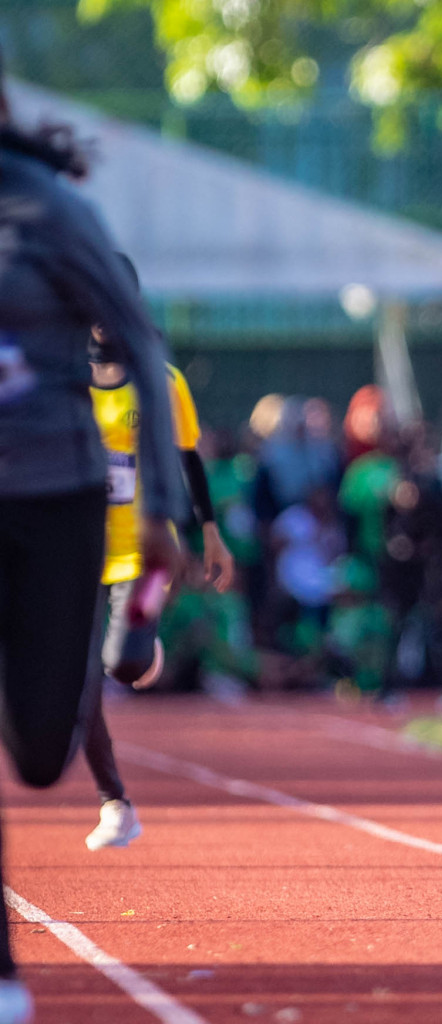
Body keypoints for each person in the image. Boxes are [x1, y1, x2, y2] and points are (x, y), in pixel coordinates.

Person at [0, 51, 184, 1023]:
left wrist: (161, 508)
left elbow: (142, 351)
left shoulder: (48, 209)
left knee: (37, 751)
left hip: (56, 496)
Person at [81, 270, 235, 851]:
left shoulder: (160, 379)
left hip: (145, 556)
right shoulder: (61, 381)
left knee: (122, 664)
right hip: (75, 551)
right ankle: (115, 803)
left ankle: (140, 644)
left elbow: (188, 458)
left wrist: (211, 533)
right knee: (80, 684)